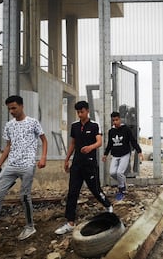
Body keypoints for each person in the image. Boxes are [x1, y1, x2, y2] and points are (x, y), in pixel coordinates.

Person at [0, 95, 48, 242]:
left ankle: (30, 226)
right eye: (9, 109)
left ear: (22, 106)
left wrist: (43, 157)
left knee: (24, 195)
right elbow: (8, 146)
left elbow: (44, 140)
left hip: (27, 164)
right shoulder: (9, 125)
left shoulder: (33, 122)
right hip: (11, 165)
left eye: (14, 108)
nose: (11, 111)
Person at [55, 101, 113, 235]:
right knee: (72, 192)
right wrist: (67, 159)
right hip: (76, 164)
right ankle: (70, 222)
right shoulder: (75, 126)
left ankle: (108, 206)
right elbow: (73, 144)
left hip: (90, 164)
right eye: (78, 112)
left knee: (95, 189)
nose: (80, 114)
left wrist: (90, 147)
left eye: (82, 111)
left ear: (87, 111)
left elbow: (99, 142)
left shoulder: (94, 126)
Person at [102, 111, 143, 201]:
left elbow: (133, 140)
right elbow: (109, 144)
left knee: (119, 172)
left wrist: (139, 151)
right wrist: (105, 154)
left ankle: (122, 190)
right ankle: (123, 182)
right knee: (112, 173)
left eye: (116, 120)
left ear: (120, 119)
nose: (115, 122)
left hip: (125, 154)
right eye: (113, 120)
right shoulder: (111, 131)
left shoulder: (126, 129)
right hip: (115, 155)